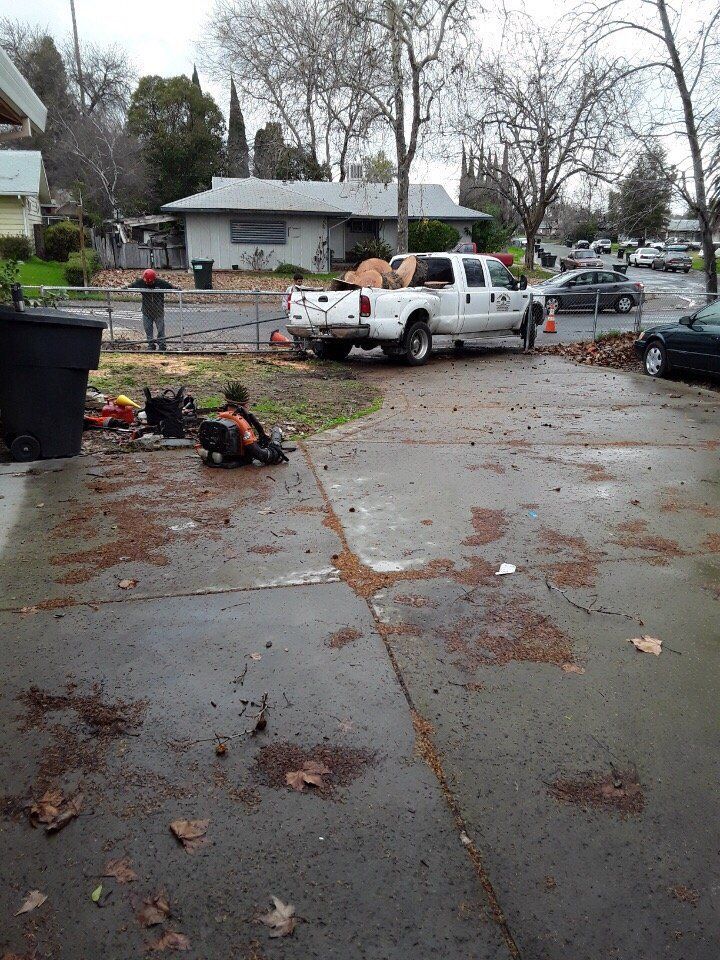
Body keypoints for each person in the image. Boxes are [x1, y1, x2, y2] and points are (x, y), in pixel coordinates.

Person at [128, 268, 176, 351]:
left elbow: (171, 287)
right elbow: (131, 286)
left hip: (158, 311)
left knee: (160, 329)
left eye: (149, 282)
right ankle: (151, 345)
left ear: (154, 279)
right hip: (146, 311)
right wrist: (124, 287)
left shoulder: (160, 283)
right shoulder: (141, 282)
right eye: (146, 281)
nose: (147, 283)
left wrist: (177, 288)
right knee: (148, 329)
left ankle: (162, 345)